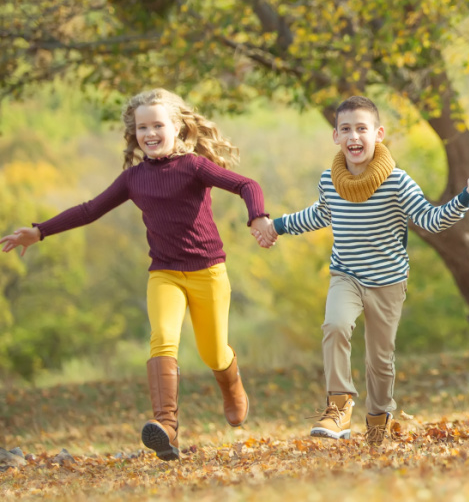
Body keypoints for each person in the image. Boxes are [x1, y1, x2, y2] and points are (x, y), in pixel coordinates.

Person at [1, 88, 269, 461]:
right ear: (135, 133)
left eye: (158, 124)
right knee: (162, 339)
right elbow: (89, 209)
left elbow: (246, 185)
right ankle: (166, 427)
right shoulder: (133, 178)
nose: (150, 133)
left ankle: (232, 385)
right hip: (165, 274)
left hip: (209, 272)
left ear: (177, 128)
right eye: (143, 127)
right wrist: (40, 230)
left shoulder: (193, 166)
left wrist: (257, 215)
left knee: (212, 351)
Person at [256, 95, 469, 444]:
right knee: (334, 325)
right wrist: (276, 225)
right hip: (346, 275)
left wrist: (467, 196)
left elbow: (431, 219)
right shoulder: (329, 180)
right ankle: (339, 406)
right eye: (346, 129)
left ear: (378, 134)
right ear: (335, 136)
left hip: (388, 283)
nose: (354, 137)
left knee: (380, 362)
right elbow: (319, 215)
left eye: (361, 129)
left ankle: (379, 418)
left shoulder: (397, 182)